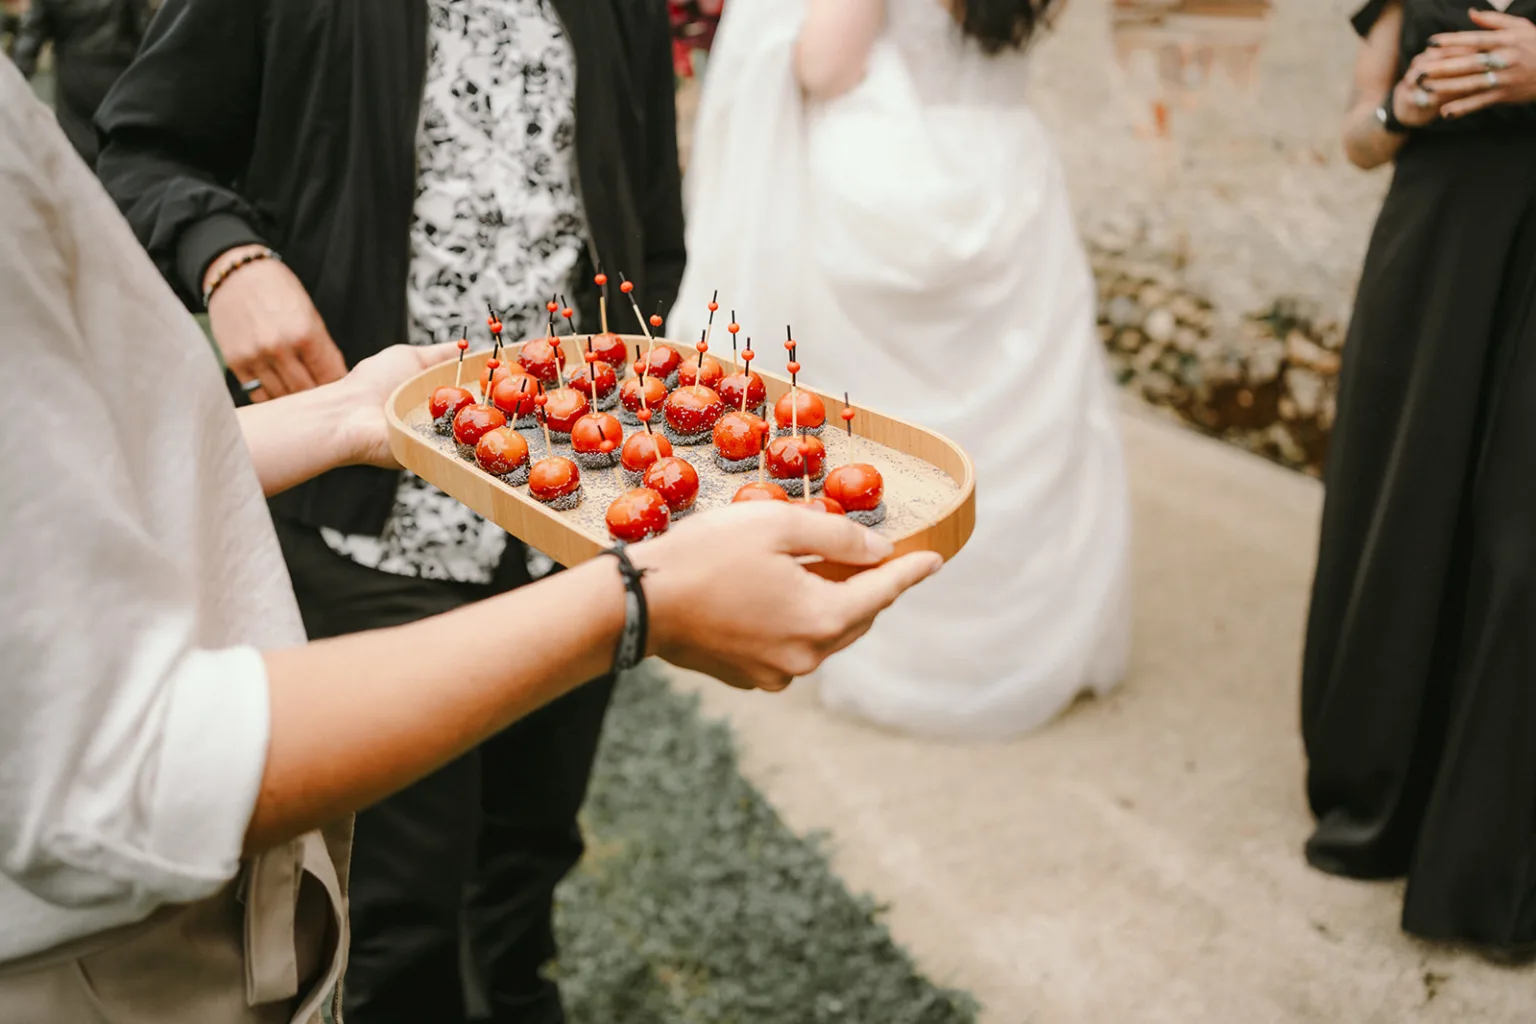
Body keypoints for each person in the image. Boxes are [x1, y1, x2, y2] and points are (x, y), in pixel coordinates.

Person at [0, 57, 941, 1022]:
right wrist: (638, 599)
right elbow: (112, 771)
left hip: (532, 500)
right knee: (404, 915)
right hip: (109, 971)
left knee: (528, 855)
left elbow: (56, 477)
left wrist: (343, 419)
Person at [94, 2, 684, 1020]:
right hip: (373, 522)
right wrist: (228, 257)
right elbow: (141, 149)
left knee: (530, 854)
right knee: (394, 912)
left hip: (576, 520)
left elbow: (648, 208)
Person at [669, 0, 1131, 740]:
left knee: (888, 433)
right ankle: (1017, 645)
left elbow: (825, 65)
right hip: (1008, 171)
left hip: (892, 186)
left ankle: (898, 641)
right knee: (1021, 428)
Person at [1300, 0, 1536, 958]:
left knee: (1521, 551)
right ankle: (1380, 797)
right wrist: (1401, 110)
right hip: (1430, 259)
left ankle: (1486, 859)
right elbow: (1359, 138)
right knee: (1404, 515)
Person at [10, 0, 153, 163]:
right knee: (123, 151)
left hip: (75, 79)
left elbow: (30, 39)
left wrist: (13, 84)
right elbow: (145, 29)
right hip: (119, 73)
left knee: (78, 153)